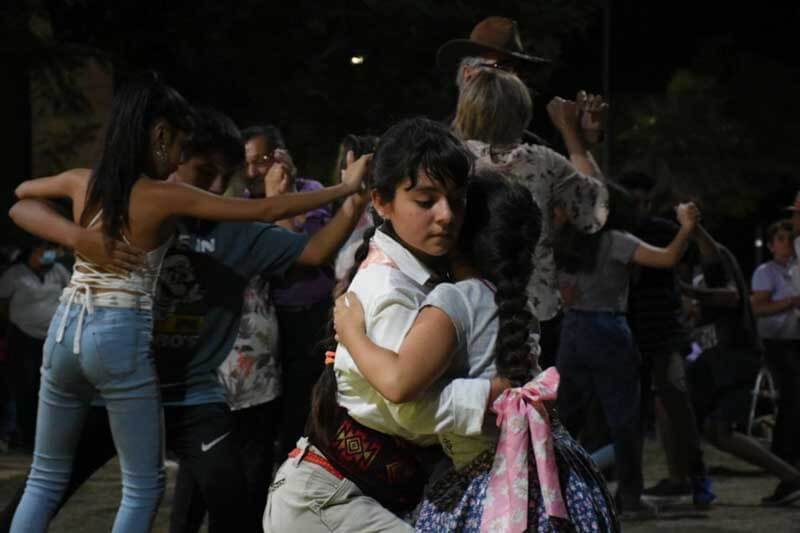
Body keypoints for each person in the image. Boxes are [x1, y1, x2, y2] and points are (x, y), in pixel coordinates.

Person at [7, 73, 365, 533]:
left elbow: (20, 199)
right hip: (115, 341)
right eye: (179, 147)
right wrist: (344, 188)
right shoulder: (163, 196)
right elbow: (262, 209)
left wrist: (79, 236)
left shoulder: (85, 182)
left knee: (43, 478)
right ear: (159, 136)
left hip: (63, 335)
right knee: (142, 488)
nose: (180, 159)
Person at [333, 170, 619, 531]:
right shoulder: (517, 305)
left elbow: (401, 389)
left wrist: (353, 333)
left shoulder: (453, 301)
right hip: (557, 473)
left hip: (493, 485)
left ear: (460, 234)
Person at [265, 117, 505, 532]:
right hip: (328, 501)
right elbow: (406, 407)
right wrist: (495, 396)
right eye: (426, 201)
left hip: (348, 495)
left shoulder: (425, 276)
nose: (446, 215)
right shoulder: (390, 287)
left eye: (456, 200)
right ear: (380, 201)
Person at [554, 181, 701, 519]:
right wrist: (687, 228)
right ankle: (630, 499)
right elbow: (667, 258)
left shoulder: (564, 244)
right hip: (608, 328)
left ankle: (556, 494)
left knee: (565, 419)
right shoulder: (617, 242)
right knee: (624, 419)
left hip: (572, 330)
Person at [453, 67, 608, 324]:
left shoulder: (454, 159)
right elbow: (593, 212)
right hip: (535, 307)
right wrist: (572, 132)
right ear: (522, 112)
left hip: (468, 303)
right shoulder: (541, 161)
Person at [617, 171, 713, 507]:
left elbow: (693, 256)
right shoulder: (616, 234)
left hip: (664, 330)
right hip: (632, 331)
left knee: (676, 402)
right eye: (634, 199)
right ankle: (633, 487)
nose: (639, 206)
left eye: (643, 199)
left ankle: (697, 477)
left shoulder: (658, 229)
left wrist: (691, 228)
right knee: (636, 412)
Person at [684, 240, 800, 506]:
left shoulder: (714, 267)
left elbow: (730, 297)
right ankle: (790, 477)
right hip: (725, 358)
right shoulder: (713, 266)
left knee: (719, 429)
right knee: (713, 429)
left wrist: (687, 292)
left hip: (736, 358)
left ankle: (792, 477)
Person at [0, 239, 70, 450]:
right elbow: (2, 302)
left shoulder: (58, 270)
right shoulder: (15, 274)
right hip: (23, 338)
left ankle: (51, 438)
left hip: (54, 337)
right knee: (25, 387)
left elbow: (72, 294)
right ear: (33, 251)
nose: (50, 254)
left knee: (51, 386)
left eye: (52, 250)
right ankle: (26, 436)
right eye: (45, 250)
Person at [750, 220, 800, 476]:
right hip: (775, 341)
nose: (786, 243)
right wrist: (790, 302)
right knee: (791, 394)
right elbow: (757, 308)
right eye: (780, 239)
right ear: (771, 246)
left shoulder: (796, 269)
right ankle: (782, 453)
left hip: (794, 338)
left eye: (789, 238)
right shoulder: (765, 272)